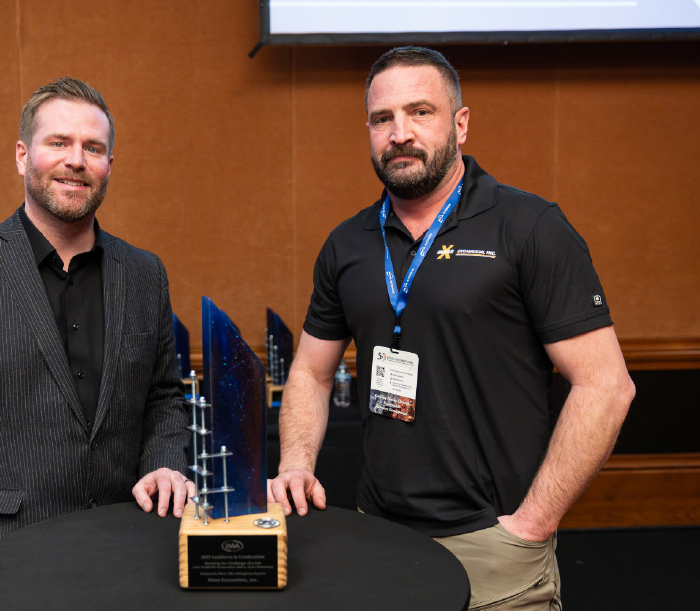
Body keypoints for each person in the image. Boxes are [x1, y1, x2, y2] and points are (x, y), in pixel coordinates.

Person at [268, 47, 634, 610]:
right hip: (378, 536)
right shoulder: (347, 244)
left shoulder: (530, 227)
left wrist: (532, 524)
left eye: (421, 112)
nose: (400, 133)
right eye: (382, 118)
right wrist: (295, 462)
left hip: (495, 544)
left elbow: (606, 386)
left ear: (460, 125)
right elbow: (313, 374)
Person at [0, 77, 193, 610]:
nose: (76, 160)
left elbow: (164, 397)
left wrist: (166, 460)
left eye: (93, 148)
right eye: (59, 143)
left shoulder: (144, 274)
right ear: (23, 156)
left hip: (128, 555)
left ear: (109, 166)